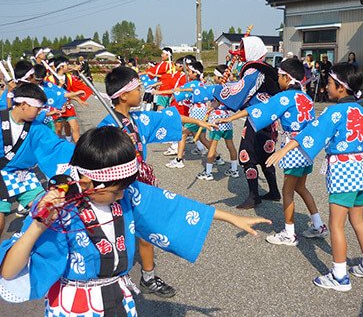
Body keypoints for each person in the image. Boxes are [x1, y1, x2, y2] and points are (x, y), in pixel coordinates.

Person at [0, 125, 271, 315]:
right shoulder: (58, 209)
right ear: (87, 180)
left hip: (119, 296)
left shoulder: (123, 193)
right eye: (115, 191)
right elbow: (10, 271)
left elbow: (173, 207)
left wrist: (228, 217)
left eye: (123, 190)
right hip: (75, 304)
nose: (121, 196)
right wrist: (38, 225)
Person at [98, 66, 217, 297]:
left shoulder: (137, 118)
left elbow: (169, 116)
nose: (141, 92)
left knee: (146, 229)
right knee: (118, 233)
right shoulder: (107, 127)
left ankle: (148, 277)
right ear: (123, 95)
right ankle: (114, 279)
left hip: (141, 183)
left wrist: (199, 123)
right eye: (137, 88)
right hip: (119, 188)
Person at [266, 62, 363, 290]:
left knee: (336, 224)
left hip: (343, 168)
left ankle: (339, 276)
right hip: (361, 166)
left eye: (329, 83)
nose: (326, 87)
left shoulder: (334, 111)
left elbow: (311, 134)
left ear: (340, 87)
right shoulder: (362, 111)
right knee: (358, 220)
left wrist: (283, 150)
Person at [217, 58, 328, 244]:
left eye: (279, 77)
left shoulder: (284, 98)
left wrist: (228, 118)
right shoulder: (306, 98)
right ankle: (318, 225)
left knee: (287, 191)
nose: (278, 80)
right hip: (307, 149)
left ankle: (289, 233)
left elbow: (257, 111)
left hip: (292, 148)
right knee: (300, 187)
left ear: (286, 77)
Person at [213, 36, 281, 209]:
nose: (241, 53)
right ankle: (273, 191)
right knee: (266, 154)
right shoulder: (265, 69)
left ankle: (253, 196)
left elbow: (240, 90)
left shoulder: (253, 70)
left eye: (244, 49)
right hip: (268, 118)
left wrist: (220, 90)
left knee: (247, 154)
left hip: (256, 118)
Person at [0, 83, 74, 236]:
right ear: (24, 105)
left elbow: (57, 147)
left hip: (21, 175)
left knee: (47, 207)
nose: (40, 112)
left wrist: (85, 150)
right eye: (38, 108)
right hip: (1, 174)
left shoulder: (36, 128)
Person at [197, 65, 239, 181]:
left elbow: (204, 95)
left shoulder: (216, 88)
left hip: (216, 120)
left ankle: (209, 172)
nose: (214, 77)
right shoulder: (230, 89)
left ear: (220, 78)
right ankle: (234, 169)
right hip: (227, 119)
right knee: (230, 145)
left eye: (215, 76)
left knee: (212, 146)